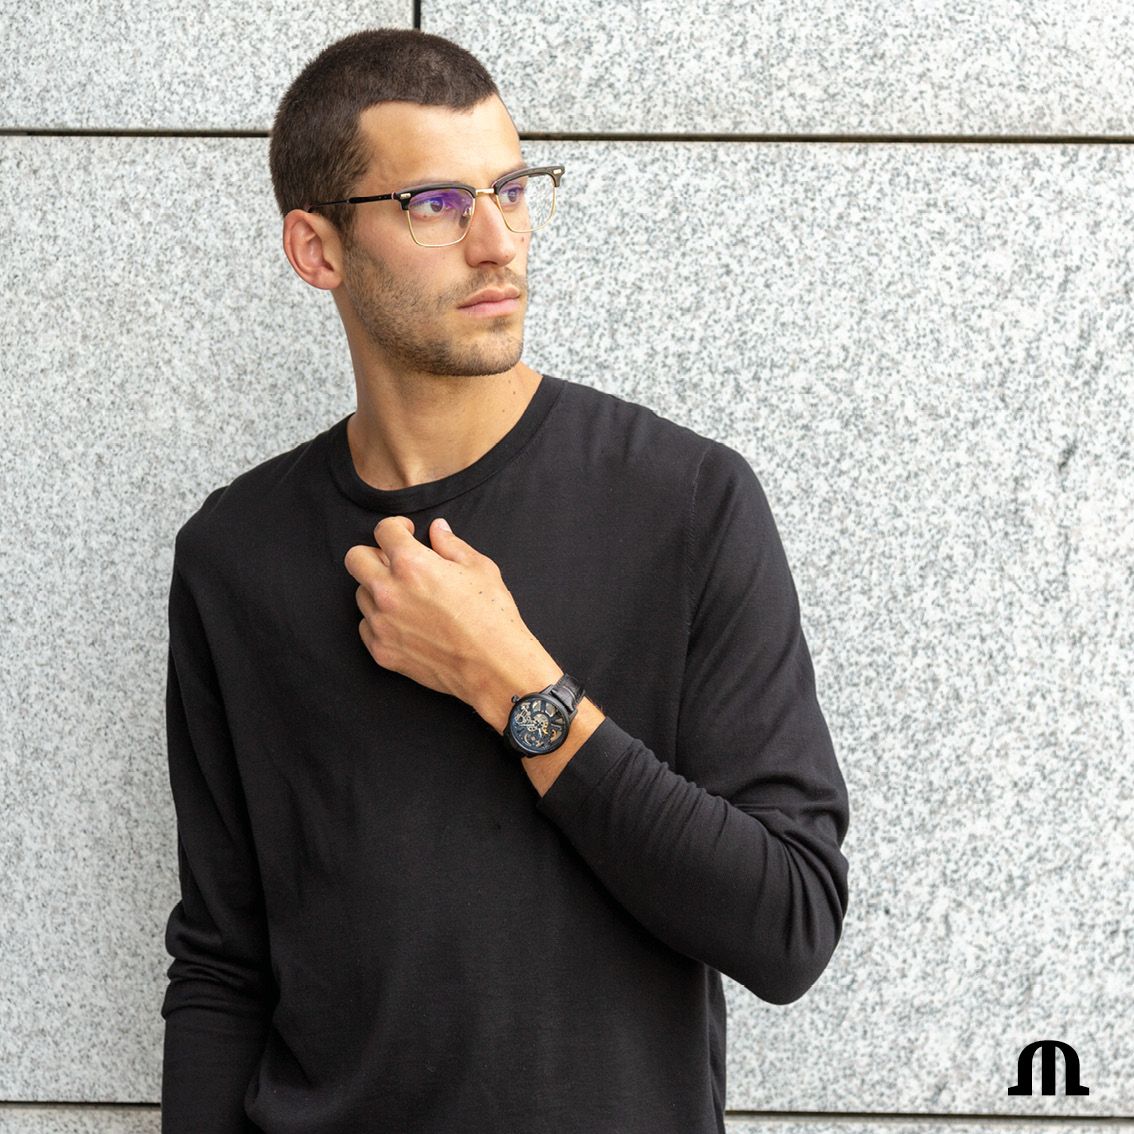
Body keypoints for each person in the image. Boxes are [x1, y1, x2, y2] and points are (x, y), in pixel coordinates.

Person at [159, 26, 850, 1134]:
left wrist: (513, 682)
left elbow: (789, 925)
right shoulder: (235, 556)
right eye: (435, 204)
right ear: (316, 249)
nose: (497, 243)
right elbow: (222, 961)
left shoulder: (684, 502)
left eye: (514, 190)